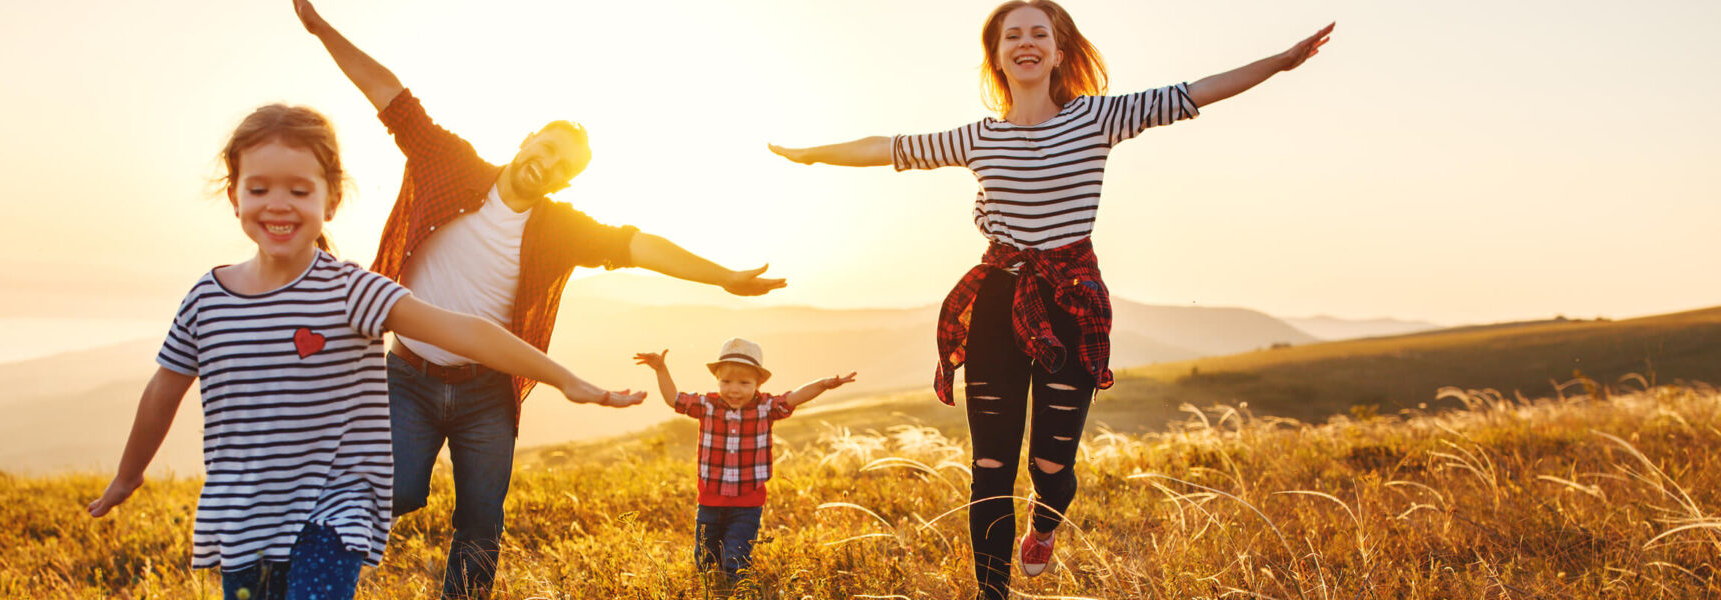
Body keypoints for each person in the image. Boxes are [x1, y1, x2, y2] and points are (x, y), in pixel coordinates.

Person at [766, 2, 1332, 597]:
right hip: (997, 300)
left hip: (1069, 300)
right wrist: (812, 153)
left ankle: (1044, 522)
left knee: (1051, 467)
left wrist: (1280, 63)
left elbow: (1194, 92)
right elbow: (890, 147)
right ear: (998, 56)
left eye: (1041, 33)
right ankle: (993, 591)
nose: (1026, 42)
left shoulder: (1097, 119)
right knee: (990, 468)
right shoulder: (978, 137)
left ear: (1060, 52)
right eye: (1013, 35)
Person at [290, 2, 787, 597]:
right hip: (408, 376)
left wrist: (723, 277)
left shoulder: (559, 228)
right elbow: (390, 95)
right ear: (526, 140)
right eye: (543, 148)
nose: (543, 165)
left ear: (564, 181)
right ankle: (294, 553)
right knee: (392, 490)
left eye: (559, 166)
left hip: (487, 391)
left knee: (479, 522)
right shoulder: (450, 163)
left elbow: (638, 244)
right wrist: (321, 30)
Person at [85, 104, 643, 600]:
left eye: (299, 190)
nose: (278, 204)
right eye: (260, 188)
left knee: (469, 517)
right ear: (233, 194)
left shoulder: (356, 289)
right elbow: (166, 385)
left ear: (332, 200)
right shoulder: (207, 298)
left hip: (336, 519)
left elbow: (468, 331)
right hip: (247, 520)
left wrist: (565, 377)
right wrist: (129, 474)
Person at [634, 340, 855, 596]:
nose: (734, 390)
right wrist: (661, 369)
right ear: (717, 380)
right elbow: (673, 399)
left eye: (744, 383)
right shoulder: (707, 406)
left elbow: (794, 396)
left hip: (748, 503)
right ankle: (714, 587)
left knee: (735, 557)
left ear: (758, 384)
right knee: (705, 560)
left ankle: (736, 588)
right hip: (710, 501)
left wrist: (823, 385)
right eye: (726, 382)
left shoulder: (766, 408)